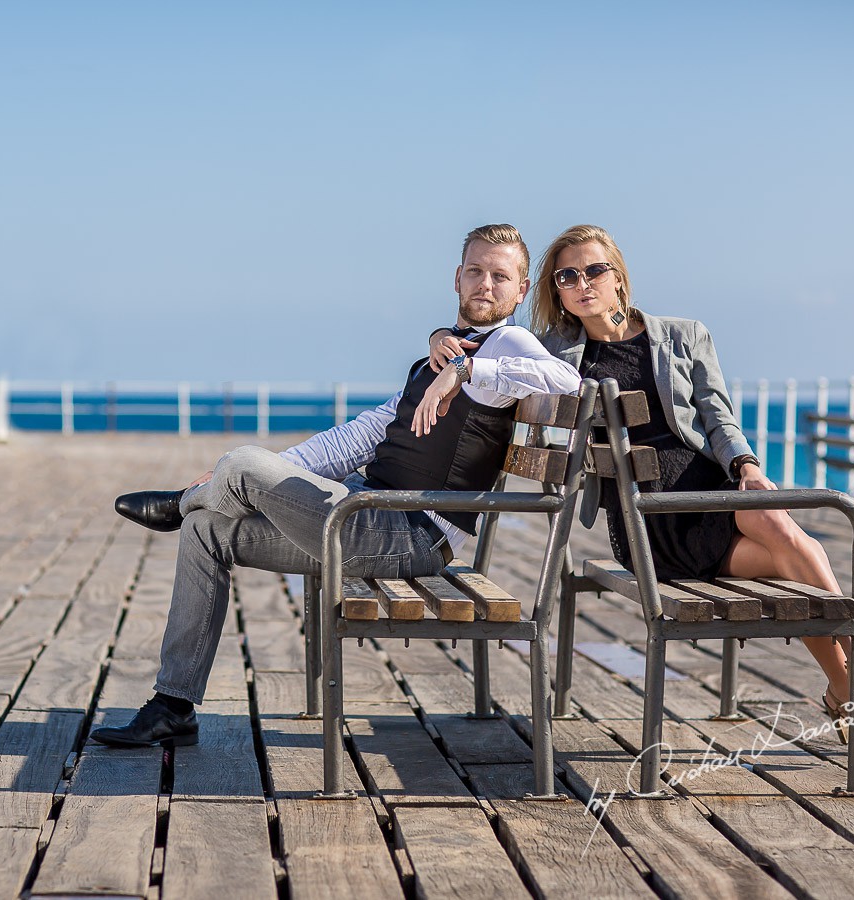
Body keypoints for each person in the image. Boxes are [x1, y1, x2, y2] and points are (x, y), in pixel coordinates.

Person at [92, 224, 582, 747]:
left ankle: (177, 502)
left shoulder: (507, 342)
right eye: (476, 271)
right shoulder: (437, 355)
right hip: (364, 518)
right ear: (456, 278)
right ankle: (175, 705)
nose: (486, 284)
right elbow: (360, 437)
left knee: (239, 462)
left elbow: (567, 383)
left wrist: (465, 369)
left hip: (413, 535)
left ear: (521, 289)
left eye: (500, 276)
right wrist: (260, 474)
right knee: (205, 527)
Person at [428, 223, 854, 753]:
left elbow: (717, 417)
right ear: (556, 291)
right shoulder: (556, 349)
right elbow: (488, 341)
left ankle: (851, 685)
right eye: (567, 275)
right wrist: (437, 341)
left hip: (711, 496)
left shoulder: (684, 335)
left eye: (594, 270)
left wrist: (745, 464)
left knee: (777, 527)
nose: (582, 282)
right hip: (645, 527)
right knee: (794, 557)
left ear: (619, 275)